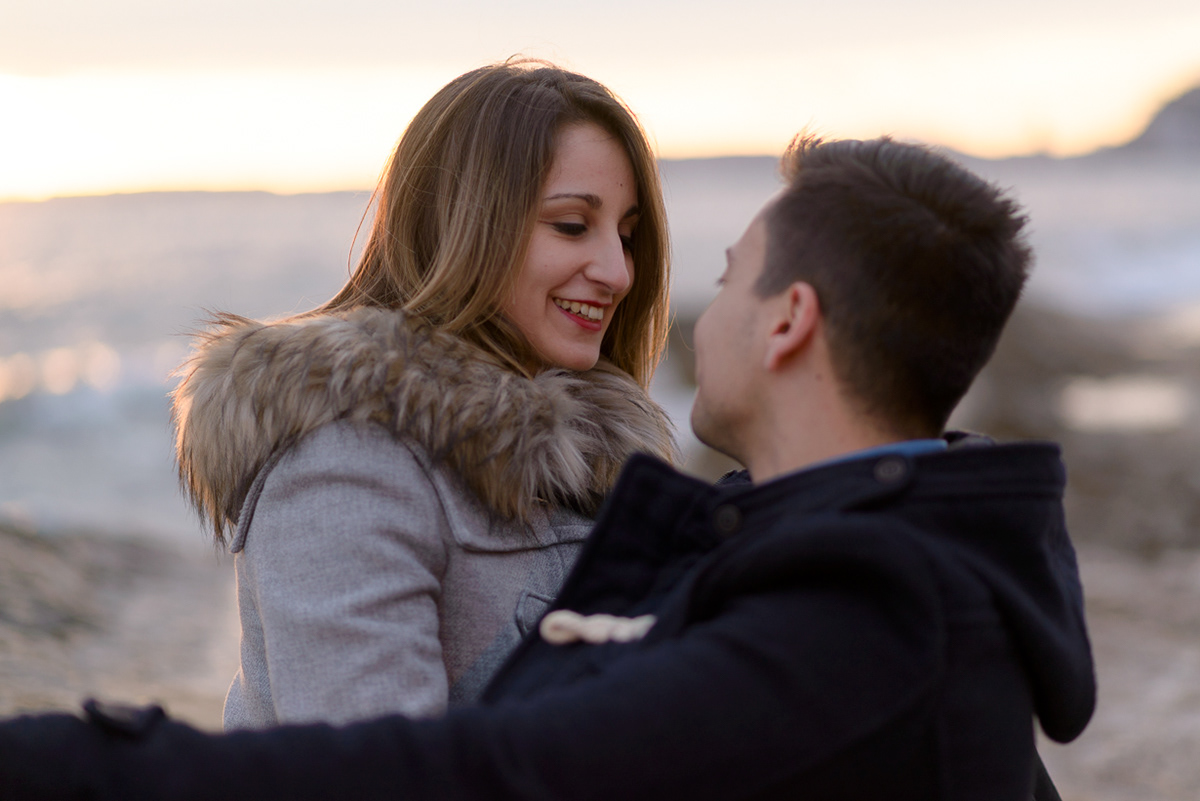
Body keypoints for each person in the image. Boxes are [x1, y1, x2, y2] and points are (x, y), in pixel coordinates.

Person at [0, 135, 1095, 801]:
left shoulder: (866, 599)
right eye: (575, 224)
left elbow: (496, 778)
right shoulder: (911, 554)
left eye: (723, 273)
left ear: (789, 322)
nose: (627, 276)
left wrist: (84, 762)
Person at [169, 60, 676, 729]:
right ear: (465, 227)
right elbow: (372, 775)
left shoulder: (600, 471)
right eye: (572, 225)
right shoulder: (344, 464)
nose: (616, 271)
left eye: (628, 234)